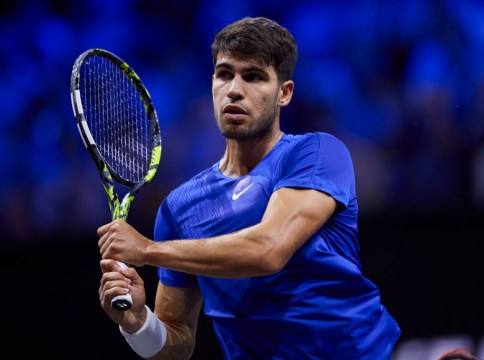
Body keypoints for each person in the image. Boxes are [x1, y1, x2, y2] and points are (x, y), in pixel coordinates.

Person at [97, 16, 401, 359]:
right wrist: (137, 323)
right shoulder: (179, 208)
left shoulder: (317, 153)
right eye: (225, 75)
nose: (235, 90)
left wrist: (148, 250)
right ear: (212, 84)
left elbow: (268, 250)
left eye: (254, 76)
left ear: (284, 93)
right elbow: (177, 343)